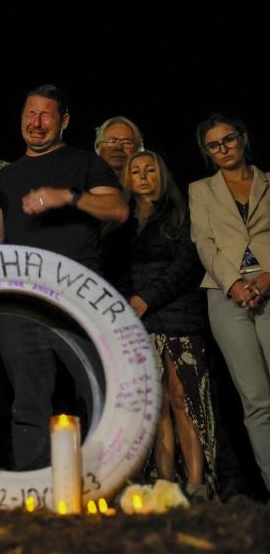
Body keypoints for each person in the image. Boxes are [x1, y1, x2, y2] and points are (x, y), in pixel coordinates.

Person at [0, 84, 128, 470]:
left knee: (98, 393)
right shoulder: (5, 178)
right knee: (28, 402)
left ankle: (110, 483)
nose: (37, 122)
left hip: (78, 297)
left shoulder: (85, 163)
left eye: (46, 115)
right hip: (22, 305)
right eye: (30, 114)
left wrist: (67, 196)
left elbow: (118, 209)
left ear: (64, 121)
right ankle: (37, 496)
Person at [107, 151, 214, 499]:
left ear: (161, 174)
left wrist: (148, 296)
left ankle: (197, 484)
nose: (142, 176)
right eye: (135, 171)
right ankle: (166, 486)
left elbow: (186, 265)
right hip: (140, 323)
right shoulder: (119, 223)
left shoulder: (179, 214)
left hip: (180, 318)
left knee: (185, 400)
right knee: (157, 404)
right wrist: (129, 303)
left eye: (150, 169)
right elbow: (116, 271)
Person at [189, 113, 270, 490]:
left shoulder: (268, 181)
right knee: (255, 400)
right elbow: (204, 242)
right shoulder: (201, 189)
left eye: (229, 140)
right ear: (206, 151)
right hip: (227, 295)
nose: (223, 149)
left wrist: (267, 278)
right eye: (214, 145)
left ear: (243, 137)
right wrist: (234, 282)